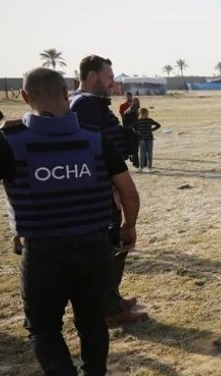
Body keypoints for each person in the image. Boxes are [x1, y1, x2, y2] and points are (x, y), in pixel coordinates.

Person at [0, 67, 140, 376]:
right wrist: (128, 226)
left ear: (26, 98)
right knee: (92, 319)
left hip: (45, 251)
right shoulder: (92, 138)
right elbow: (128, 191)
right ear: (65, 92)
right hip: (95, 245)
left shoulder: (11, 139)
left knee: (44, 327)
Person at [70, 55, 147, 326]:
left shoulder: (85, 103)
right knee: (112, 246)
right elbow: (101, 145)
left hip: (103, 181)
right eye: (109, 77)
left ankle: (112, 299)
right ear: (92, 77)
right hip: (101, 184)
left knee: (114, 245)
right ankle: (110, 310)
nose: (112, 83)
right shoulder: (86, 105)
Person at [133, 107, 160, 172]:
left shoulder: (150, 120)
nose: (145, 114)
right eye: (143, 113)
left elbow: (158, 125)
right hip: (142, 139)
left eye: (146, 113)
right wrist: (136, 131)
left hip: (149, 139)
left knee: (149, 154)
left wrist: (152, 129)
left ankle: (149, 168)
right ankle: (141, 168)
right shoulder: (138, 121)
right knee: (142, 154)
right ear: (140, 114)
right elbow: (132, 126)